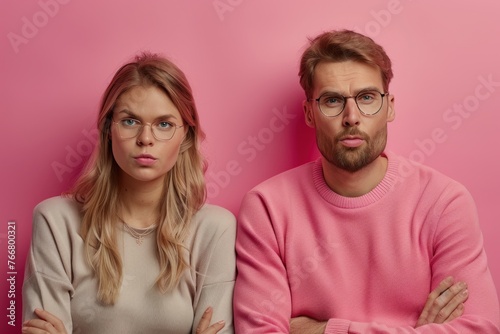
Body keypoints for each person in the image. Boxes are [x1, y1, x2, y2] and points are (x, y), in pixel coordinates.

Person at [233, 29, 500, 333]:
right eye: (332, 100)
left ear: (390, 106)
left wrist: (326, 330)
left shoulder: (444, 202)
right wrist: (415, 329)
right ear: (309, 113)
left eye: (367, 97)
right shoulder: (267, 207)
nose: (351, 117)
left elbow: (481, 328)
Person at [22, 52, 236, 334]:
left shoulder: (214, 229)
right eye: (130, 121)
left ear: (185, 135)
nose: (145, 139)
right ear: (108, 129)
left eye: (164, 124)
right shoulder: (55, 221)